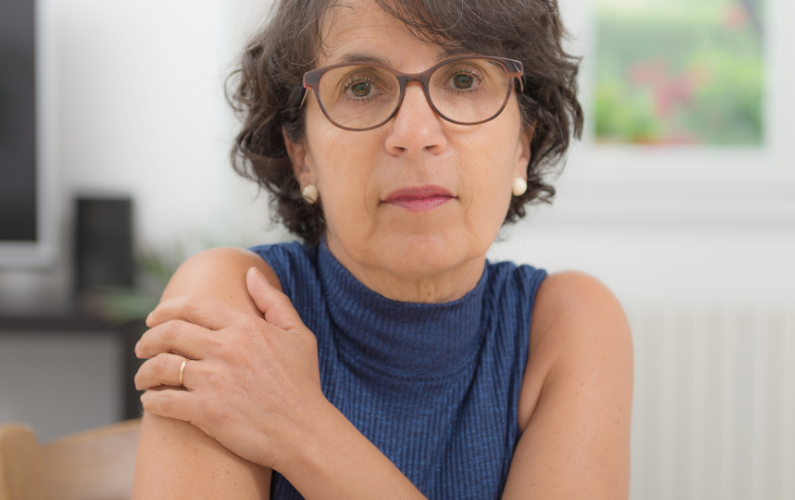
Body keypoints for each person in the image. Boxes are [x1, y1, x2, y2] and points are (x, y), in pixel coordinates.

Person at [130, 0, 633, 498]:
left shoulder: (568, 324)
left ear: (523, 143)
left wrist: (298, 426)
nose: (415, 136)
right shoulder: (234, 301)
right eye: (361, 86)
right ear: (302, 155)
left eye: (463, 80)